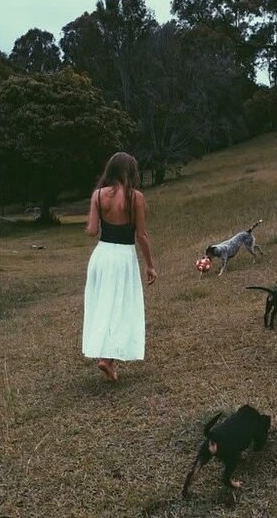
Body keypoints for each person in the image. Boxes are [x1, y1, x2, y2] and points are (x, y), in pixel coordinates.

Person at [82, 152, 156, 381]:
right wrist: (150, 265)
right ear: (131, 172)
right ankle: (107, 359)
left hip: (102, 255)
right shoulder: (136, 197)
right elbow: (141, 235)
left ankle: (107, 358)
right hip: (123, 257)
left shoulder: (98, 195)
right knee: (121, 306)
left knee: (104, 304)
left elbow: (92, 231)